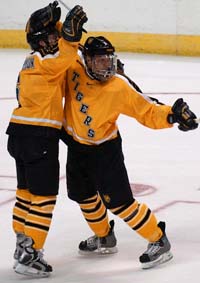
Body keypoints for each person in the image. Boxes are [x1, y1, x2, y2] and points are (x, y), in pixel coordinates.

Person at [61, 36, 198, 269]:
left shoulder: (118, 86)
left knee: (120, 202)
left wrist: (172, 116)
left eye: (109, 60)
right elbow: (60, 52)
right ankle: (104, 236)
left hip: (105, 150)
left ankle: (158, 239)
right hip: (76, 146)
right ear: (88, 61)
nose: (107, 66)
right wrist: (66, 33)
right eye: (100, 61)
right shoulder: (73, 68)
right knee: (82, 195)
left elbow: (146, 110)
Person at [6, 2, 87, 277]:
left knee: (26, 195)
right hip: (38, 136)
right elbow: (63, 61)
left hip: (20, 134)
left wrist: (70, 40)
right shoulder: (44, 62)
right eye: (52, 37)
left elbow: (64, 65)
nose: (56, 40)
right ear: (39, 41)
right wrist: (72, 37)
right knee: (44, 197)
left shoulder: (32, 61)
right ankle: (30, 256)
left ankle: (23, 244)